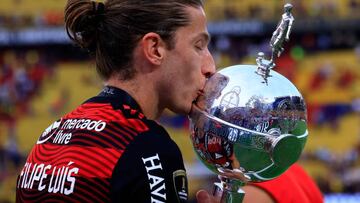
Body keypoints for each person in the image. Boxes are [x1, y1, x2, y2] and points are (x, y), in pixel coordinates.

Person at [16, 0, 217, 202]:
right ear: (155, 49)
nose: (211, 67)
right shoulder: (149, 150)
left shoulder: (50, 136)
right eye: (198, 46)